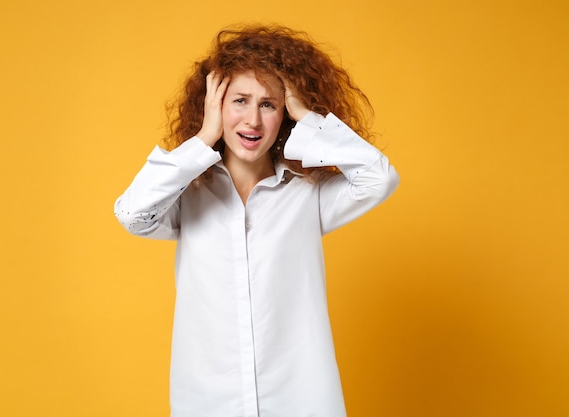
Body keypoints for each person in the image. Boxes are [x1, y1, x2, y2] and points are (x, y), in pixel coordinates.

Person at [115, 24, 399, 417]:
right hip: (210, 403)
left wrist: (308, 117)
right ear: (214, 105)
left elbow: (378, 177)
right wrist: (205, 136)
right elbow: (132, 214)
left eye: (268, 104)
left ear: (284, 113)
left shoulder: (308, 193)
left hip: (301, 400)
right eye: (240, 100)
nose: (252, 120)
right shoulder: (187, 195)